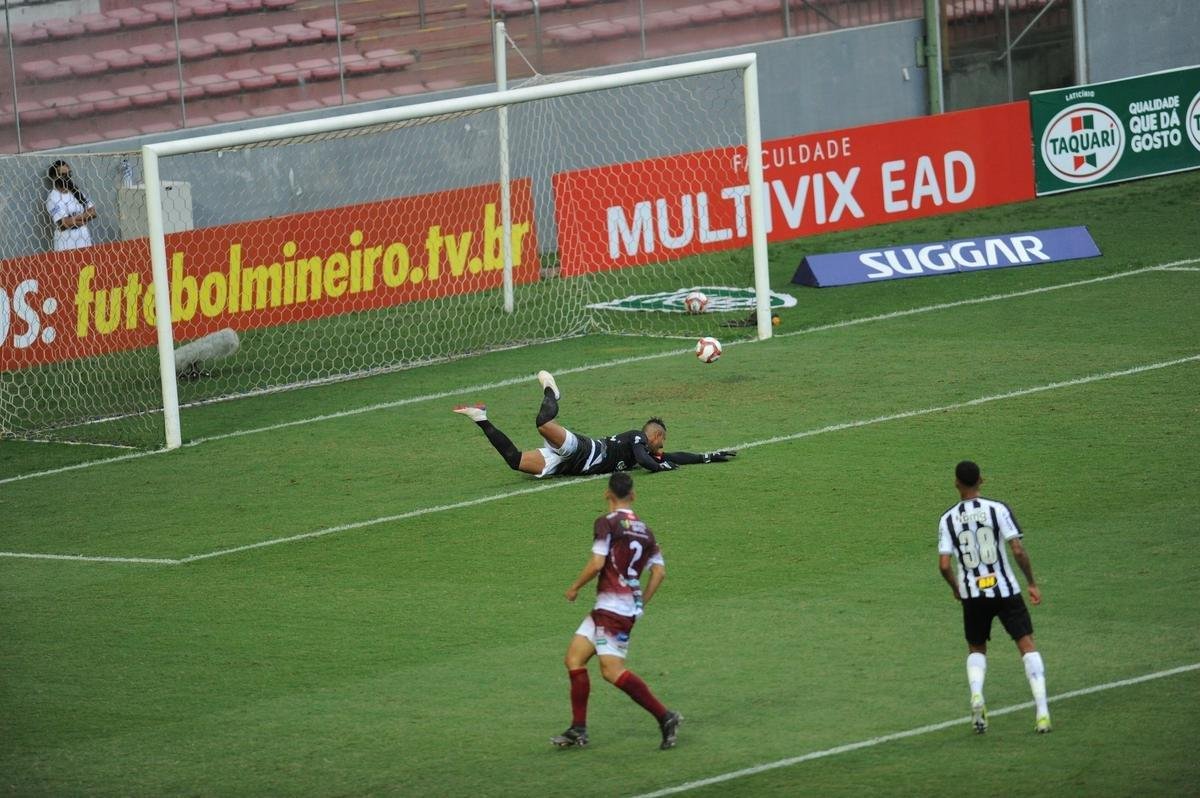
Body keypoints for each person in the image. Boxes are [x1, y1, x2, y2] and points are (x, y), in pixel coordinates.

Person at [551, 471, 681, 750]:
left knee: (611, 671)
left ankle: (666, 716)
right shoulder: (646, 531)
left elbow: (597, 564)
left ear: (607, 493)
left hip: (612, 610)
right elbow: (659, 573)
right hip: (615, 608)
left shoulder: (607, 523)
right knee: (574, 658)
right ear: (633, 495)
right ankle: (578, 728)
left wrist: (574, 587)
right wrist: (640, 601)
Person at [937, 460, 1051, 734]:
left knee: (976, 649)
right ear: (981, 480)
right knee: (1027, 645)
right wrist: (1031, 582)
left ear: (956, 483)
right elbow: (1017, 549)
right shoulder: (997, 509)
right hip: (1005, 589)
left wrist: (956, 587)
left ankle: (977, 695)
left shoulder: (947, 518)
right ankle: (1042, 712)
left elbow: (944, 564)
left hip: (972, 595)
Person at [453, 370, 736, 478]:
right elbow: (646, 461)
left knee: (515, 461)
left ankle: (481, 418)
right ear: (655, 435)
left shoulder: (645, 450)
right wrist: (662, 467)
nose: (664, 446)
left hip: (567, 466)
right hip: (583, 450)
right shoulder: (637, 439)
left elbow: (674, 457)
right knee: (543, 422)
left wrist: (706, 457)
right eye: (663, 440)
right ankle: (552, 391)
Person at [45, 160, 96, 251]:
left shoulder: (76, 192)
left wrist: (74, 219)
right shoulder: (53, 198)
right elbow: (64, 224)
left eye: (69, 174)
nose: (67, 177)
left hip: (84, 239)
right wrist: (84, 218)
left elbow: (93, 212)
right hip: (66, 243)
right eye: (63, 175)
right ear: (54, 177)